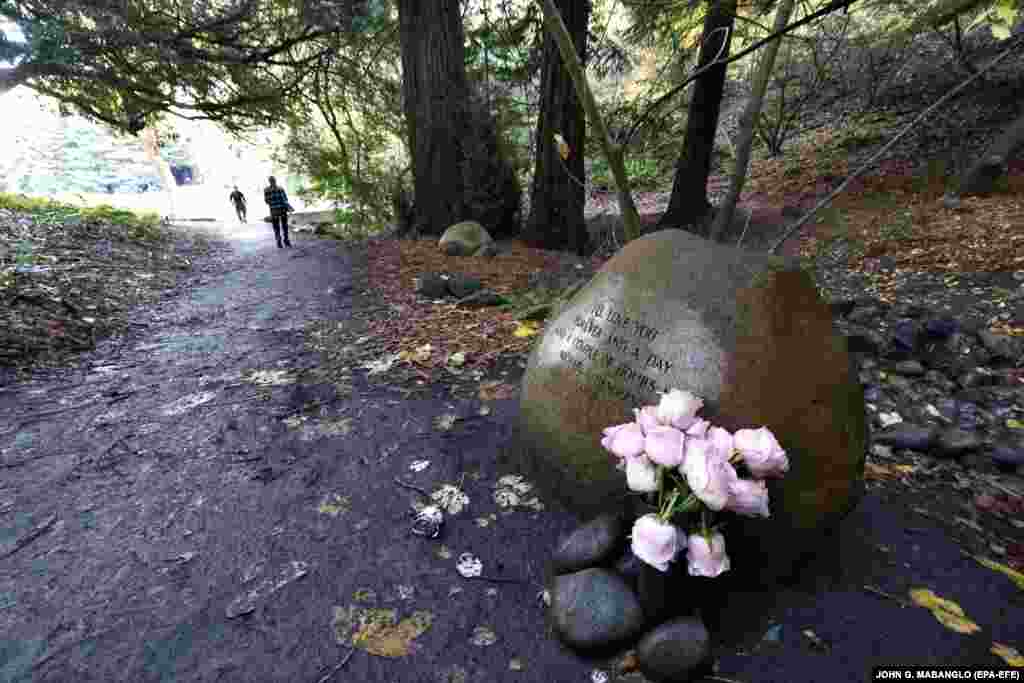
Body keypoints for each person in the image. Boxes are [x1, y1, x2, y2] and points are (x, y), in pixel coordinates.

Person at [263, 176, 293, 248]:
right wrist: (289, 207)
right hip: (282, 209)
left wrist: (273, 203)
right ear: (275, 181)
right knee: (284, 226)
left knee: (276, 227)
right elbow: (285, 199)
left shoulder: (266, 190)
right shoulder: (280, 188)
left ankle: (278, 241)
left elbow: (267, 201)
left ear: (269, 181)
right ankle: (286, 240)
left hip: (273, 210)